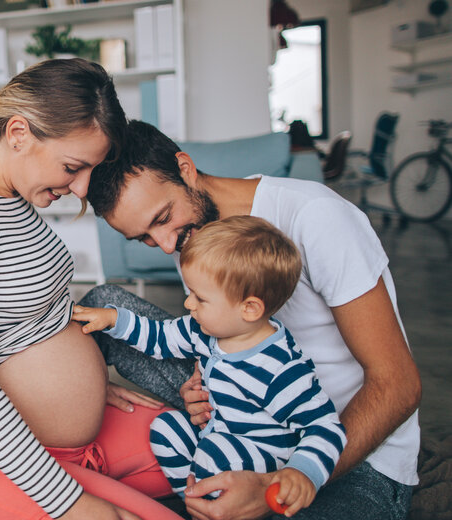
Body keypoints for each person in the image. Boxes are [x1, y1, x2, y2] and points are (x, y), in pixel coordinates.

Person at [79, 119, 422, 520]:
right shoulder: (189, 231)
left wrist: (279, 484)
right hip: (243, 418)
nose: (166, 245)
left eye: (161, 218)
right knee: (101, 306)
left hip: (347, 451)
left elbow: (398, 384)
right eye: (145, 238)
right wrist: (198, 377)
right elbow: (219, 331)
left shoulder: (315, 217)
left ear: (186, 169)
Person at [0, 61, 183, 520]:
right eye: (73, 167)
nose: (83, 188)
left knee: (213, 456)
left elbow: (28, 322)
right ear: (18, 134)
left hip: (75, 438)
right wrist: (72, 504)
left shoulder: (11, 193)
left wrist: (83, 388)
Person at [72, 215, 347, 517]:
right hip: (217, 434)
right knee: (165, 429)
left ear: (249, 308)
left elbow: (324, 426)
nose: (188, 304)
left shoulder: (279, 369)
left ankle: (213, 500)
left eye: (200, 298)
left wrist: (302, 472)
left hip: (261, 457)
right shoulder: (204, 330)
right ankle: (198, 503)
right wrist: (113, 320)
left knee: (214, 454)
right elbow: (160, 337)